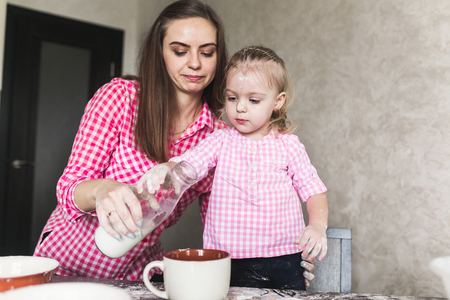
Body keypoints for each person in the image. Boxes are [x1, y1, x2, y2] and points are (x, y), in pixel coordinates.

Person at [32, 0, 316, 284]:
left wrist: (284, 263)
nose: (194, 63)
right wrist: (102, 189)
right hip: (65, 263)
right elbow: (68, 190)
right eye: (180, 51)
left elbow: (226, 225)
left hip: (137, 274)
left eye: (207, 53)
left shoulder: (219, 137)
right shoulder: (119, 98)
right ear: (160, 53)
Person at [138, 45, 328, 290]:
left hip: (284, 258)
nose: (240, 107)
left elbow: (313, 190)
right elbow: (189, 164)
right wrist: (166, 168)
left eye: (254, 100)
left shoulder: (289, 145)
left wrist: (317, 226)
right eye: (232, 98)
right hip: (227, 258)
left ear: (277, 102)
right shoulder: (220, 140)